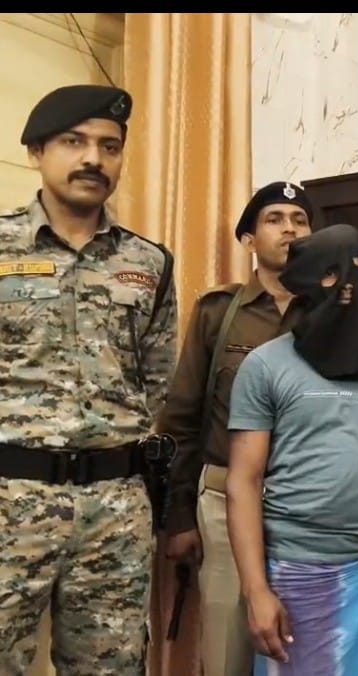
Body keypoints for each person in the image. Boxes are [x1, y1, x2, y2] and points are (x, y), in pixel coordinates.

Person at [0, 84, 178, 675]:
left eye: (110, 146)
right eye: (73, 142)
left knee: (112, 666)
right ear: (36, 151)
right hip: (9, 497)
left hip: (115, 506)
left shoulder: (150, 262)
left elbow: (156, 377)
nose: (93, 159)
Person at [225, 224, 358, 675]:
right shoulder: (265, 366)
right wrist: (256, 590)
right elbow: (244, 480)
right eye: (331, 274)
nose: (348, 286)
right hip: (299, 567)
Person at [157, 181, 315, 676]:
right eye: (274, 219)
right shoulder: (218, 312)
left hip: (306, 509)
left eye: (300, 220)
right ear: (249, 239)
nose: (289, 229)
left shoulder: (332, 313)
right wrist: (179, 517)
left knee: (302, 648)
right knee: (228, 648)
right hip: (224, 502)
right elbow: (181, 418)